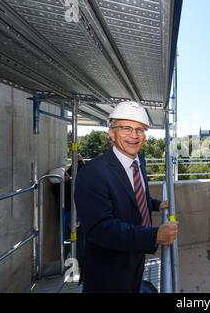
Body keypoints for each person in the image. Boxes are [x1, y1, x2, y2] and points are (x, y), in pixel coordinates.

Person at [74, 101, 179, 293]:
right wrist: (154, 235)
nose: (134, 135)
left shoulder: (140, 161)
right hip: (109, 269)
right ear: (111, 133)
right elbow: (100, 228)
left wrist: (156, 204)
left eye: (140, 130)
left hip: (135, 255)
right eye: (126, 128)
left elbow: (136, 196)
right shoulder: (92, 173)